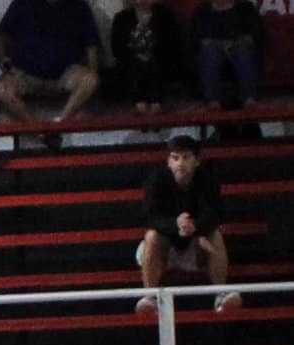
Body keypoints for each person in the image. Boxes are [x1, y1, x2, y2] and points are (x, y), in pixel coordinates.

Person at [135, 135, 240, 314]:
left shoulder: (207, 180)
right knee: (151, 235)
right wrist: (176, 224)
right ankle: (150, 297)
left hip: (196, 245)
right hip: (165, 247)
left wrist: (194, 226)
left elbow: (216, 214)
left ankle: (220, 295)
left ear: (196, 161)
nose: (180, 163)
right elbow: (150, 216)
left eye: (186, 157)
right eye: (175, 158)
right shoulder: (156, 180)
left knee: (215, 235)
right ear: (168, 162)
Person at [0, 0, 104, 126]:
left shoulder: (78, 5)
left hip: (65, 74)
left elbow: (91, 45)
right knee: (1, 89)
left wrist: (94, 75)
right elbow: (1, 35)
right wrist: (3, 61)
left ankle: (60, 123)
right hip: (25, 74)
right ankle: (38, 129)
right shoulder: (22, 3)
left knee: (91, 80)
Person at [111, 0, 187, 114]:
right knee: (136, 62)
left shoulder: (165, 15)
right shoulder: (122, 18)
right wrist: (138, 52)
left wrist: (149, 51)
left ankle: (156, 103)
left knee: (153, 61)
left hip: (160, 62)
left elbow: (173, 46)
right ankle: (139, 103)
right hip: (131, 64)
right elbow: (118, 49)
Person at [190, 0, 266, 110]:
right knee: (210, 51)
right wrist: (219, 44)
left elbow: (256, 34)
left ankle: (250, 99)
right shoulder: (202, 11)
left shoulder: (246, 8)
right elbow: (196, 39)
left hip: (239, 47)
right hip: (213, 50)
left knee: (244, 50)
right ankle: (213, 101)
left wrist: (235, 42)